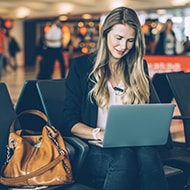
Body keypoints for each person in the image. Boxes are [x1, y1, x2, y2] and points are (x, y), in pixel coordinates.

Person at [63, 6, 168, 190]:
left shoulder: (138, 67)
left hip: (134, 144)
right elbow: (70, 121)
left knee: (148, 155)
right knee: (123, 157)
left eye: (130, 41)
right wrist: (98, 133)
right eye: (118, 38)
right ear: (105, 34)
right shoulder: (81, 67)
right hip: (95, 148)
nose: (123, 47)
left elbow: (153, 112)